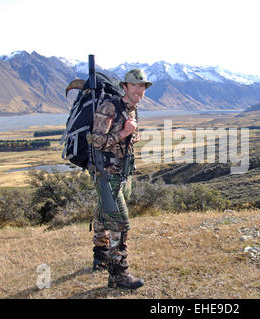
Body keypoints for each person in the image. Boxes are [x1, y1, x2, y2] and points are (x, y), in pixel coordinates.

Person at [91, 69, 152, 290]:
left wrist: (130, 136)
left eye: (142, 86)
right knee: (121, 223)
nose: (139, 90)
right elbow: (96, 141)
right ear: (124, 86)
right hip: (107, 175)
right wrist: (125, 133)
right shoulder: (110, 107)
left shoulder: (132, 111)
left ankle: (101, 255)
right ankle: (118, 275)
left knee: (102, 213)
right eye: (134, 85)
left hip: (120, 174)